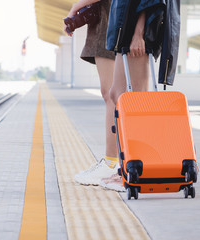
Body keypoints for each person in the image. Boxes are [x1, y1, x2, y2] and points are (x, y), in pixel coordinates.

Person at [64, 0, 124, 192]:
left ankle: (111, 163)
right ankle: (118, 161)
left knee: (112, 96)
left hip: (110, 23)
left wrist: (76, 6)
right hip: (113, 21)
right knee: (115, 95)